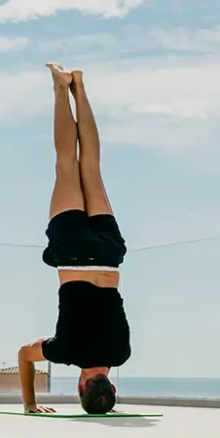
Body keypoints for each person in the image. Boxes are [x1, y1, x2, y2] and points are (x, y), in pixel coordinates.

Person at [16, 63, 130, 415]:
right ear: (79, 385)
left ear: (110, 385)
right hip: (73, 256)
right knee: (67, 164)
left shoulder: (121, 354)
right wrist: (30, 404)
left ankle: (78, 86)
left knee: (91, 166)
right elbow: (24, 355)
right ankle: (59, 86)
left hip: (109, 256)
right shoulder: (65, 351)